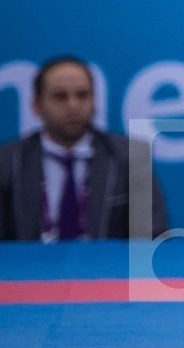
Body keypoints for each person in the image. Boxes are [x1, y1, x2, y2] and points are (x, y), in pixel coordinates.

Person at [0, 56, 168, 241]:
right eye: (60, 96)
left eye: (82, 95)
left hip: (107, 268)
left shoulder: (129, 157)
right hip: (28, 268)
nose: (73, 105)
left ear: (94, 101)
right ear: (37, 105)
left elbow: (151, 238)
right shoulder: (8, 161)